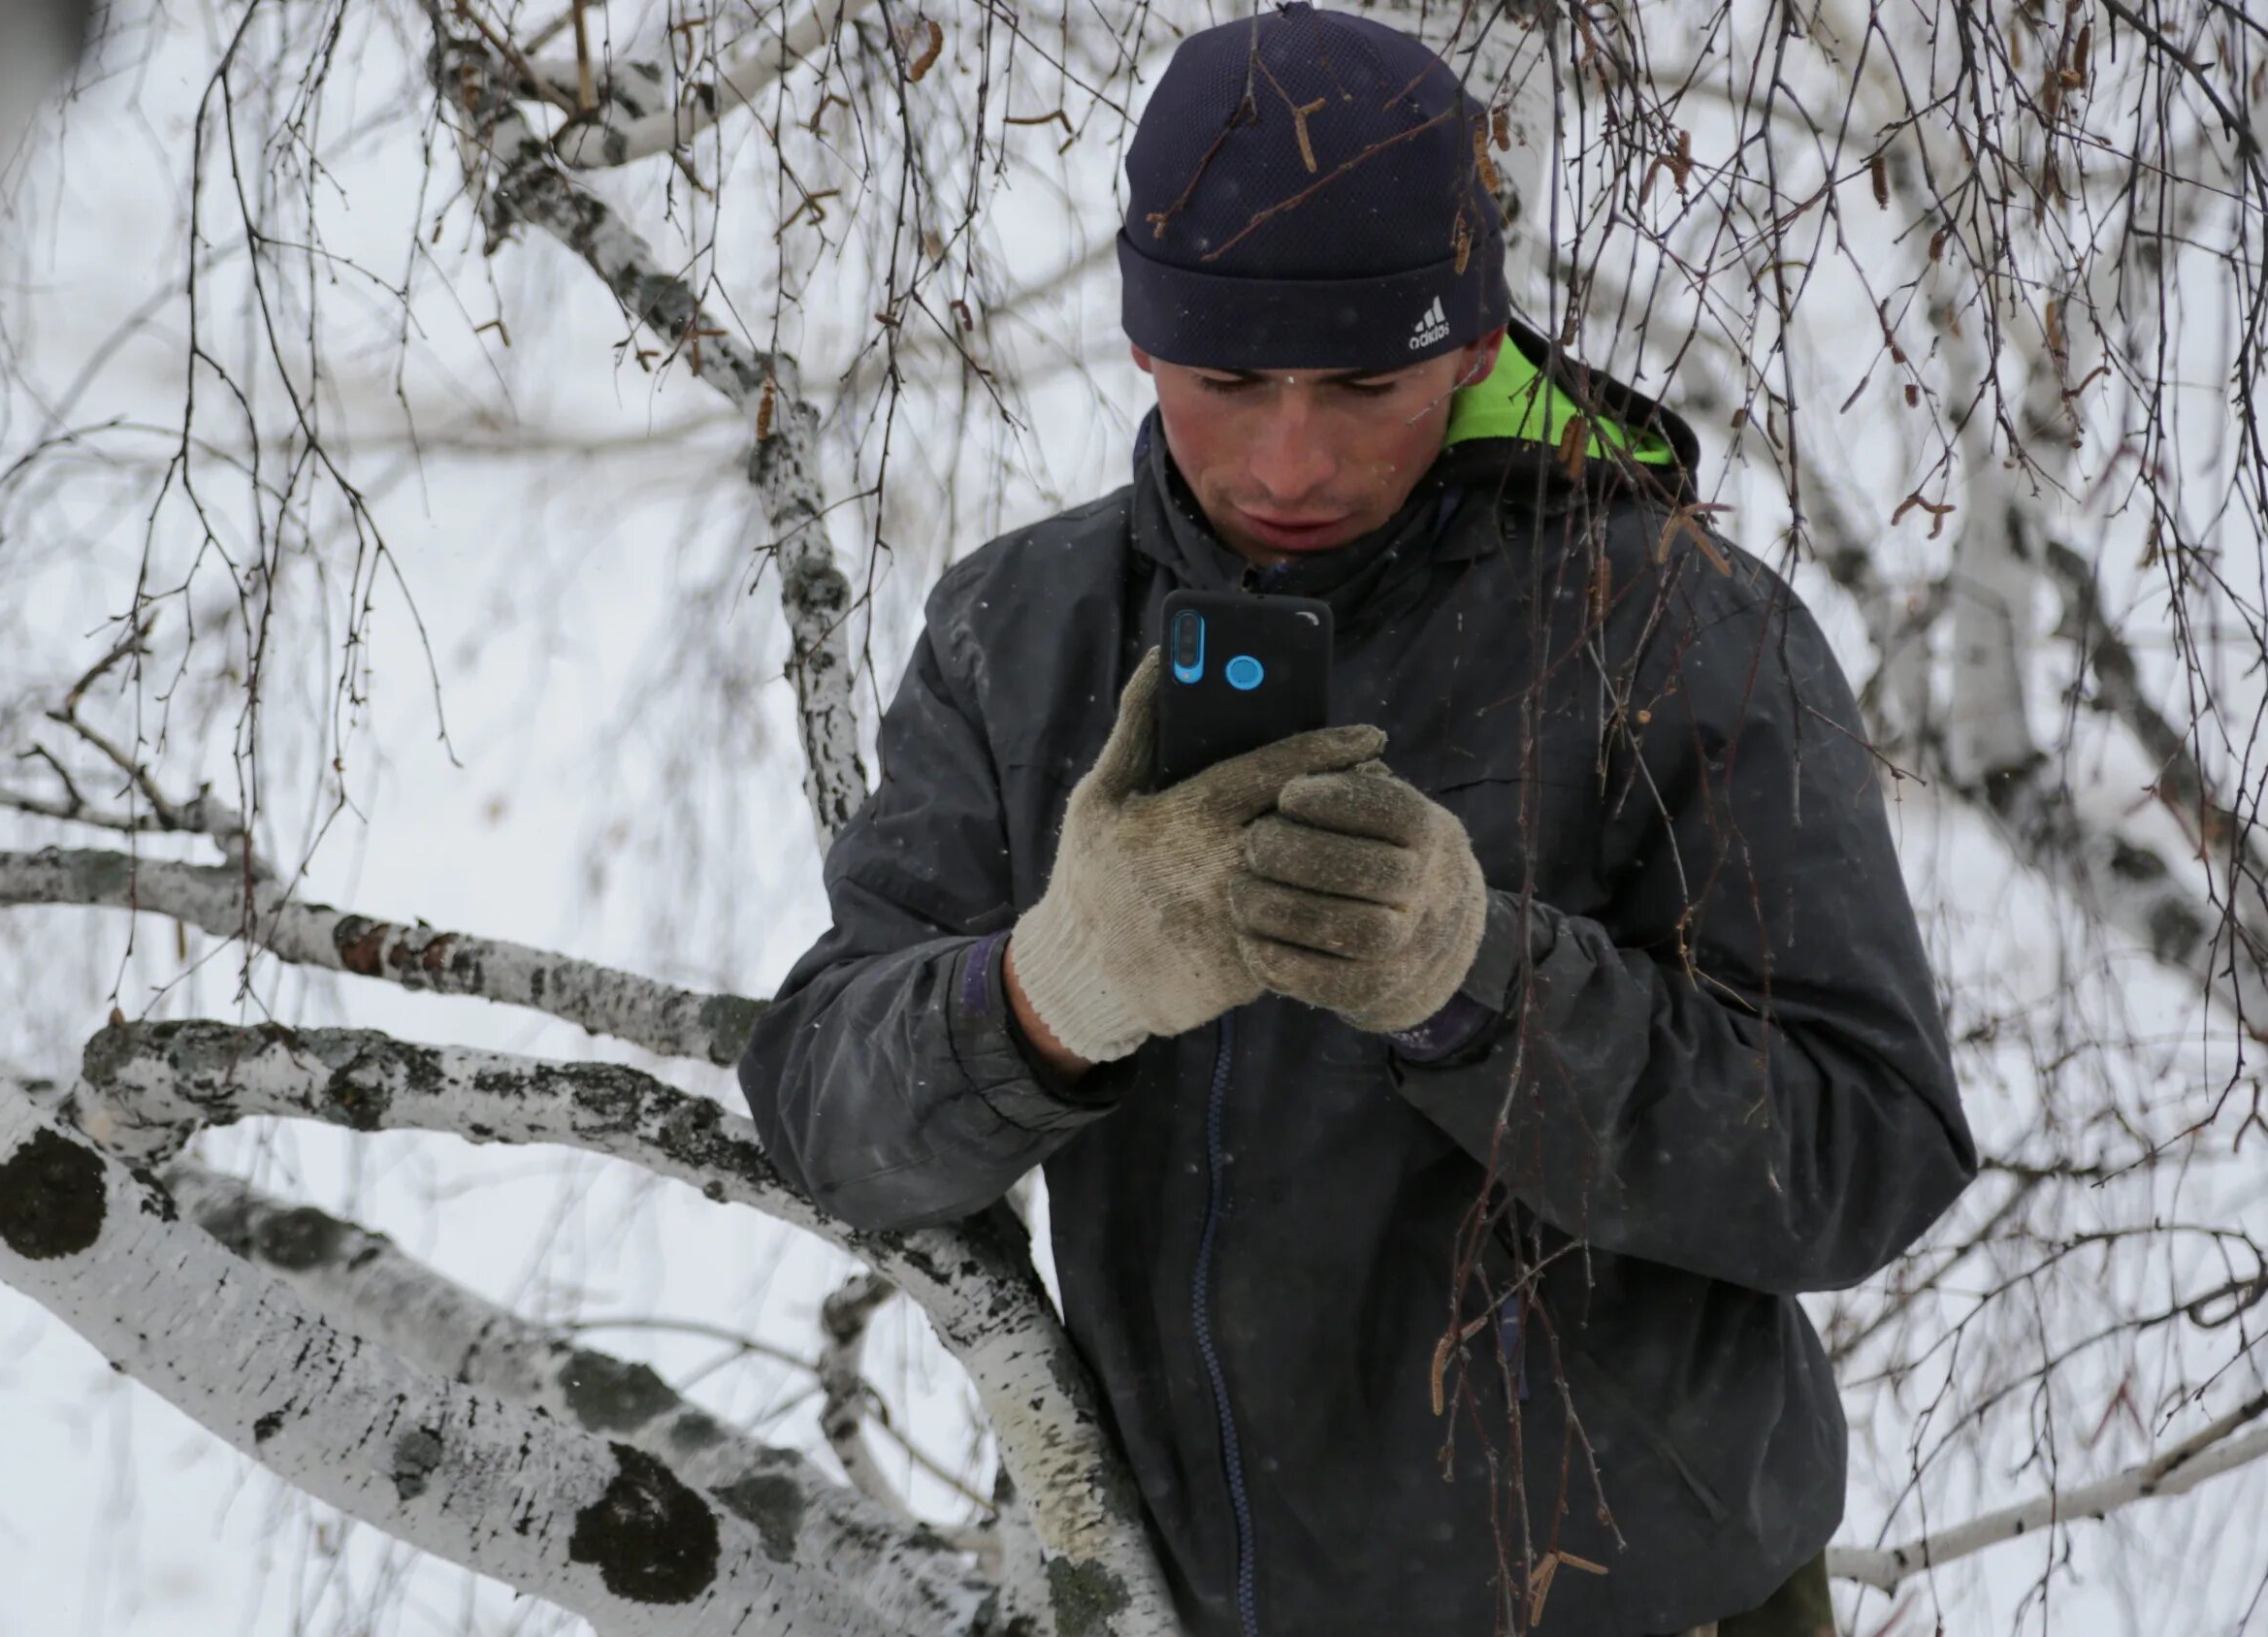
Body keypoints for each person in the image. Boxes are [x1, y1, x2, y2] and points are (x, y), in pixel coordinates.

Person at [735, 6, 1978, 1634]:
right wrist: (1050, 997)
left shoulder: (1679, 632)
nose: (1292, 456)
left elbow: (1865, 1157)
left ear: (1474, 348)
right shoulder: (1020, 628)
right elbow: (828, 1117)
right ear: (1141, 345)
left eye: (1368, 380)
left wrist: (1481, 985)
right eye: (1229, 378)